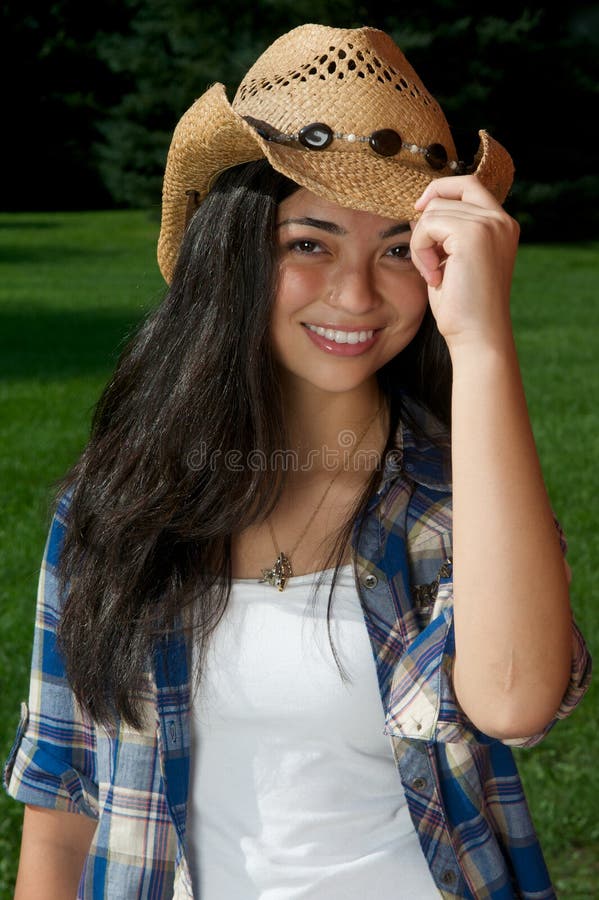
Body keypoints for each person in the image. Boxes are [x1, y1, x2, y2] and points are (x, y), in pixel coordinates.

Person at [4, 22, 592, 900]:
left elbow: (515, 701)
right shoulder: (113, 504)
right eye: (307, 243)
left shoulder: (455, 500)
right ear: (233, 252)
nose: (356, 295)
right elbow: (60, 807)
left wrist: (482, 346)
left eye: (398, 249)